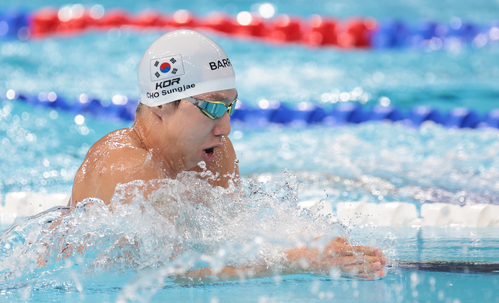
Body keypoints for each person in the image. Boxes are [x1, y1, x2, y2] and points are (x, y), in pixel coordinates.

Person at [69, 30, 386, 279]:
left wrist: (318, 244)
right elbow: (173, 271)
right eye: (212, 107)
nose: (226, 127)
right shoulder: (123, 167)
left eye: (230, 107)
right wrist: (302, 259)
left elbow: (233, 236)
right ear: (161, 105)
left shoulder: (213, 155)